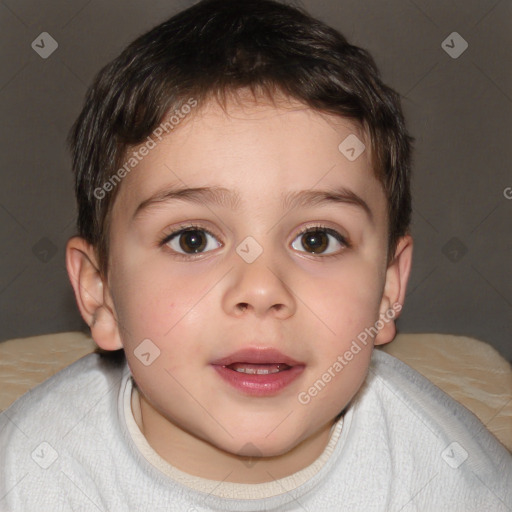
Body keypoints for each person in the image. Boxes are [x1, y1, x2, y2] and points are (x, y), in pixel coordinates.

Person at [1, 0, 511, 510]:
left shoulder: (459, 482)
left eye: (317, 239)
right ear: (100, 293)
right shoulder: (30, 474)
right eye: (192, 239)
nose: (262, 289)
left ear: (389, 288)